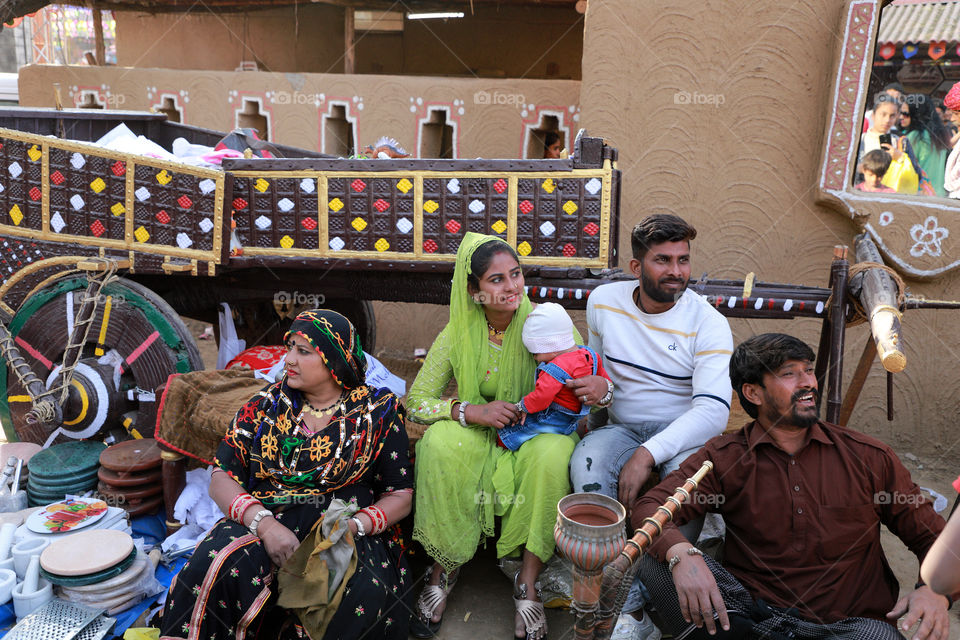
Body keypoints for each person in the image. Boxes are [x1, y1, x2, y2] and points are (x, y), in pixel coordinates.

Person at [633, 333, 950, 640]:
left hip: (847, 627)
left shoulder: (868, 457)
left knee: (875, 636)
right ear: (754, 393)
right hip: (753, 617)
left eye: (809, 371)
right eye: (789, 374)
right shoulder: (725, 457)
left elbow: (937, 538)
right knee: (654, 556)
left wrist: (935, 592)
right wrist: (682, 554)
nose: (808, 383)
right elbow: (652, 508)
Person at [159, 309, 413, 640]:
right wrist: (265, 526)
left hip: (343, 532)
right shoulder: (265, 406)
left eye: (303, 351)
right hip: (266, 521)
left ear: (334, 359)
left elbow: (400, 495)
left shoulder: (377, 412)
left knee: (360, 595)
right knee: (215, 566)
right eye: (289, 346)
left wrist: (353, 527)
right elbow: (222, 478)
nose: (288, 359)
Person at [407, 232, 605, 640]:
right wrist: (469, 410)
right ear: (473, 290)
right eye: (496, 280)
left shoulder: (548, 321)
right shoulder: (457, 333)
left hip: (538, 431)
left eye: (516, 274)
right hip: (485, 432)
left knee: (552, 454)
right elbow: (416, 401)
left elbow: (591, 376)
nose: (512, 286)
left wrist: (604, 389)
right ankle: (444, 567)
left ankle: (527, 581)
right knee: (441, 443)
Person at [568, 213, 733, 639]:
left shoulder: (708, 322)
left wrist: (648, 454)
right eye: (663, 260)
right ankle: (613, 590)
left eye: (683, 260)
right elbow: (597, 367)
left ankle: (632, 605)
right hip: (622, 428)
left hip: (684, 432)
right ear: (636, 267)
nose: (677, 272)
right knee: (587, 463)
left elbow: (713, 412)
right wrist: (592, 419)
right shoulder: (604, 302)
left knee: (687, 484)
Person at [498, 302, 613, 451]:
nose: (535, 358)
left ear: (550, 347)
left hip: (555, 419)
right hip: (575, 419)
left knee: (516, 430)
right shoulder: (591, 356)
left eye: (535, 353)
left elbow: (541, 398)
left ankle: (503, 443)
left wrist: (522, 406)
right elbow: (605, 381)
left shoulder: (554, 370)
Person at [859, 93, 925, 194]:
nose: (887, 120)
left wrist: (900, 157)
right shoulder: (861, 141)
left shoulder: (901, 142)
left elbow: (917, 175)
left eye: (892, 116)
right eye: (883, 114)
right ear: (873, 115)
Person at [903, 94, 952, 198]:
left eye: (906, 114)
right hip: (941, 194)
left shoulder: (914, 137)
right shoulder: (941, 136)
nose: (901, 117)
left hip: (921, 194)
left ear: (915, 114)